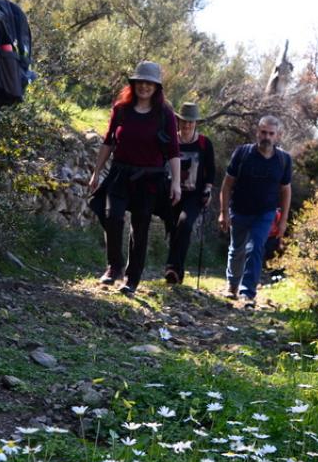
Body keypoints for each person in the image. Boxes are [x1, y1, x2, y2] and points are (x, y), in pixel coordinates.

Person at [88, 61, 181, 295]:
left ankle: (132, 279)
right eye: (141, 82)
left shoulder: (165, 115)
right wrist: (96, 172)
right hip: (120, 173)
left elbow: (173, 151)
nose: (144, 86)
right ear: (134, 84)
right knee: (112, 216)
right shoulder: (121, 109)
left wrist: (177, 183)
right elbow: (108, 141)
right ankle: (114, 267)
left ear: (156, 87)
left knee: (140, 229)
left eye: (149, 83)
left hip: (150, 180)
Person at [218, 115, 292, 308]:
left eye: (271, 133)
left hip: (265, 213)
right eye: (263, 132)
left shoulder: (283, 160)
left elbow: (285, 190)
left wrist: (283, 220)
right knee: (237, 249)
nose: (266, 136)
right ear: (257, 132)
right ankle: (232, 286)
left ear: (278, 136)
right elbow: (227, 185)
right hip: (240, 210)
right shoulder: (243, 154)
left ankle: (247, 292)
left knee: (256, 247)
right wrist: (223, 212)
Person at [162, 101, 216, 284]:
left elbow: (211, 170)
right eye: (184, 121)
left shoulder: (204, 143)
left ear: (196, 124)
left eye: (191, 122)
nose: (187, 125)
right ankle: (176, 272)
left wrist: (208, 189)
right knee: (173, 228)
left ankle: (172, 268)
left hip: (194, 195)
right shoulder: (171, 140)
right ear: (178, 121)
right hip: (172, 193)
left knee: (184, 224)